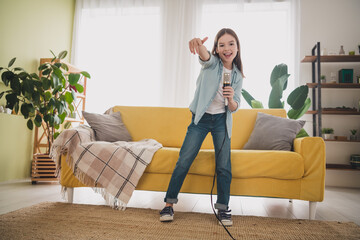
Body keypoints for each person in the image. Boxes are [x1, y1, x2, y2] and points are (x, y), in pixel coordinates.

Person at [159, 28, 244, 226]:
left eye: (231, 44)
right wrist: (199, 45)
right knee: (184, 160)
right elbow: (205, 57)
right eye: (221, 45)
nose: (226, 48)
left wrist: (231, 99)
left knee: (224, 166)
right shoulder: (212, 64)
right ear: (216, 49)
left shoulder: (238, 76)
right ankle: (169, 205)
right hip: (201, 120)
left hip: (222, 122)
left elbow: (235, 106)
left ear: (237, 47)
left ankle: (223, 208)